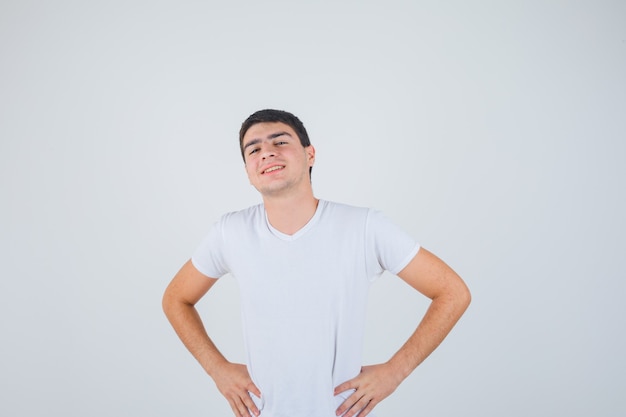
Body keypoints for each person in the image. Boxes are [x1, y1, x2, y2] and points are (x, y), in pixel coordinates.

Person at [162, 109, 471, 417]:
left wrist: (396, 372)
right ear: (248, 170)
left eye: (279, 142)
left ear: (310, 155)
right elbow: (176, 299)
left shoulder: (363, 227)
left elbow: (452, 292)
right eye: (254, 149)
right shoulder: (230, 232)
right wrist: (217, 370)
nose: (266, 153)